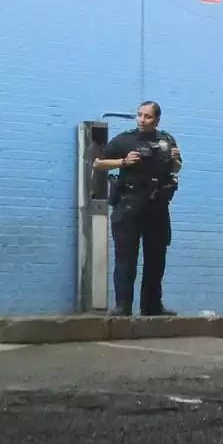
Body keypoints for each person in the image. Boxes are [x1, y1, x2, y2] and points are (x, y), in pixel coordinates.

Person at [92, 101, 182, 317]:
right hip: (130, 204)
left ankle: (152, 305)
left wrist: (175, 159)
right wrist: (123, 161)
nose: (142, 120)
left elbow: (177, 168)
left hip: (157, 206)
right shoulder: (125, 139)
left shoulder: (166, 140)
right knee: (126, 257)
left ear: (157, 120)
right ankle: (123, 305)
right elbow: (97, 163)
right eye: (140, 115)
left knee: (156, 258)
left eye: (147, 116)